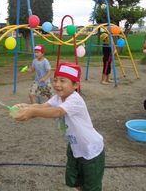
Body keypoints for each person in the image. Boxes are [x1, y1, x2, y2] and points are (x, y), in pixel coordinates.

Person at [12, 62, 105, 191]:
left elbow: (57, 112)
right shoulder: (57, 98)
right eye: (55, 80)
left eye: (63, 81)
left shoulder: (75, 100)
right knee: (75, 180)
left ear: (75, 85)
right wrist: (26, 106)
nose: (57, 84)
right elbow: (43, 106)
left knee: (91, 186)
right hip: (75, 146)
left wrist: (32, 112)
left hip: (90, 149)